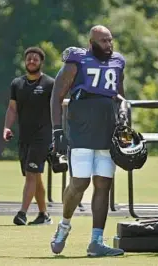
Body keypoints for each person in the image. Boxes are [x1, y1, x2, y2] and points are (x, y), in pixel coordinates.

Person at [50, 25, 127, 257]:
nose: (108, 45)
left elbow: (119, 94)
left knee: (104, 184)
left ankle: (96, 241)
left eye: (110, 40)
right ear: (91, 42)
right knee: (79, 183)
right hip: (81, 129)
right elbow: (56, 95)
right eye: (103, 41)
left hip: (107, 130)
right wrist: (56, 131)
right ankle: (64, 225)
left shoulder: (118, 61)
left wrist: (123, 111)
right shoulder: (77, 60)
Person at [3, 47, 54, 226]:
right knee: (34, 176)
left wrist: (59, 133)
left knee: (32, 173)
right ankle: (44, 215)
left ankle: (22, 213)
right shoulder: (17, 84)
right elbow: (12, 108)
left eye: (35, 59)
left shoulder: (50, 83)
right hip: (25, 136)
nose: (31, 61)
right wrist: (6, 128)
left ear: (41, 62)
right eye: (29, 59)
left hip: (43, 135)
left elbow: (58, 108)